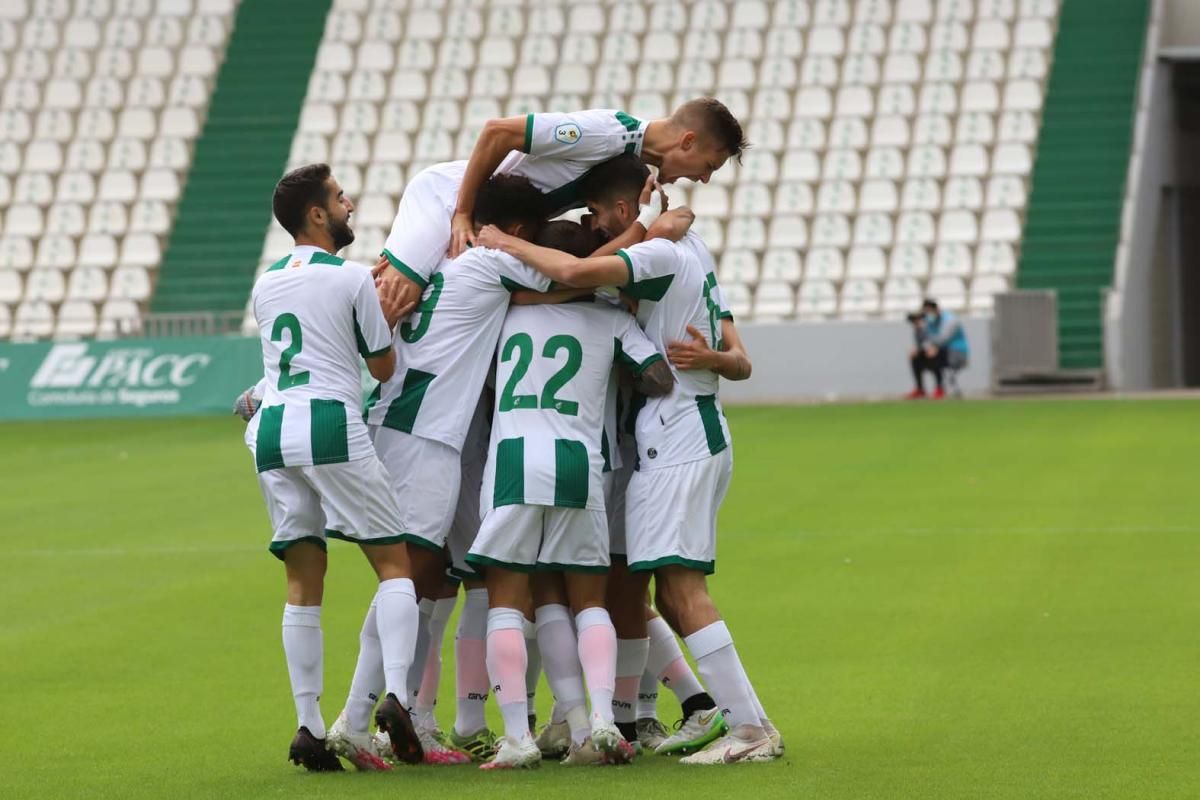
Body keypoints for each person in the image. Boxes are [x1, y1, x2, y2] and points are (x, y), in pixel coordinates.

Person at [476, 153, 781, 765]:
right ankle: (641, 715)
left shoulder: (658, 253)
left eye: (597, 211)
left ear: (623, 211)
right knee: (638, 589)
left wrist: (498, 245)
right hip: (641, 443)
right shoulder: (692, 250)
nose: (594, 220)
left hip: (668, 439)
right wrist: (716, 361)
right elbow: (727, 356)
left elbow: (574, 269)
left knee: (665, 588)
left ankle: (748, 727)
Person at [328, 174, 556, 767]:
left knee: (423, 584)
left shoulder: (428, 267)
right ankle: (356, 718)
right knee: (406, 579)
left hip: (405, 422)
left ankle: (409, 717)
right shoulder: (487, 267)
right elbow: (567, 275)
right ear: (518, 231)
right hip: (424, 435)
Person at [466, 220, 675, 769]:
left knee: (508, 605)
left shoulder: (503, 312)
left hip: (512, 459)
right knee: (589, 602)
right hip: (581, 461)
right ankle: (602, 722)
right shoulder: (609, 319)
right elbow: (660, 378)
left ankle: (517, 737)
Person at [245, 164, 423, 771]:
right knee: (395, 564)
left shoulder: (265, 284)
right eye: (339, 198)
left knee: (302, 584)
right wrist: (385, 323)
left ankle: (308, 724)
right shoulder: (351, 278)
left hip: (272, 430)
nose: (349, 204)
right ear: (317, 214)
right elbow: (380, 365)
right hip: (328, 422)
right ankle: (396, 694)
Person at [374, 99, 748, 312]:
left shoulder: (629, 161)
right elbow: (497, 132)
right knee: (392, 299)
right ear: (687, 141)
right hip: (445, 198)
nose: (704, 179)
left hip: (489, 221)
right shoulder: (606, 132)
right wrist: (462, 213)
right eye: (709, 166)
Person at [907, 298, 969, 400]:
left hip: (956, 352)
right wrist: (918, 346)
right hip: (939, 351)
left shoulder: (950, 320)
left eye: (928, 311)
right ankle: (920, 389)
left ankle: (939, 388)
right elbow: (925, 340)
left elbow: (943, 339)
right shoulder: (928, 321)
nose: (927, 315)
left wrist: (930, 347)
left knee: (934, 354)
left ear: (935, 309)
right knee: (916, 357)